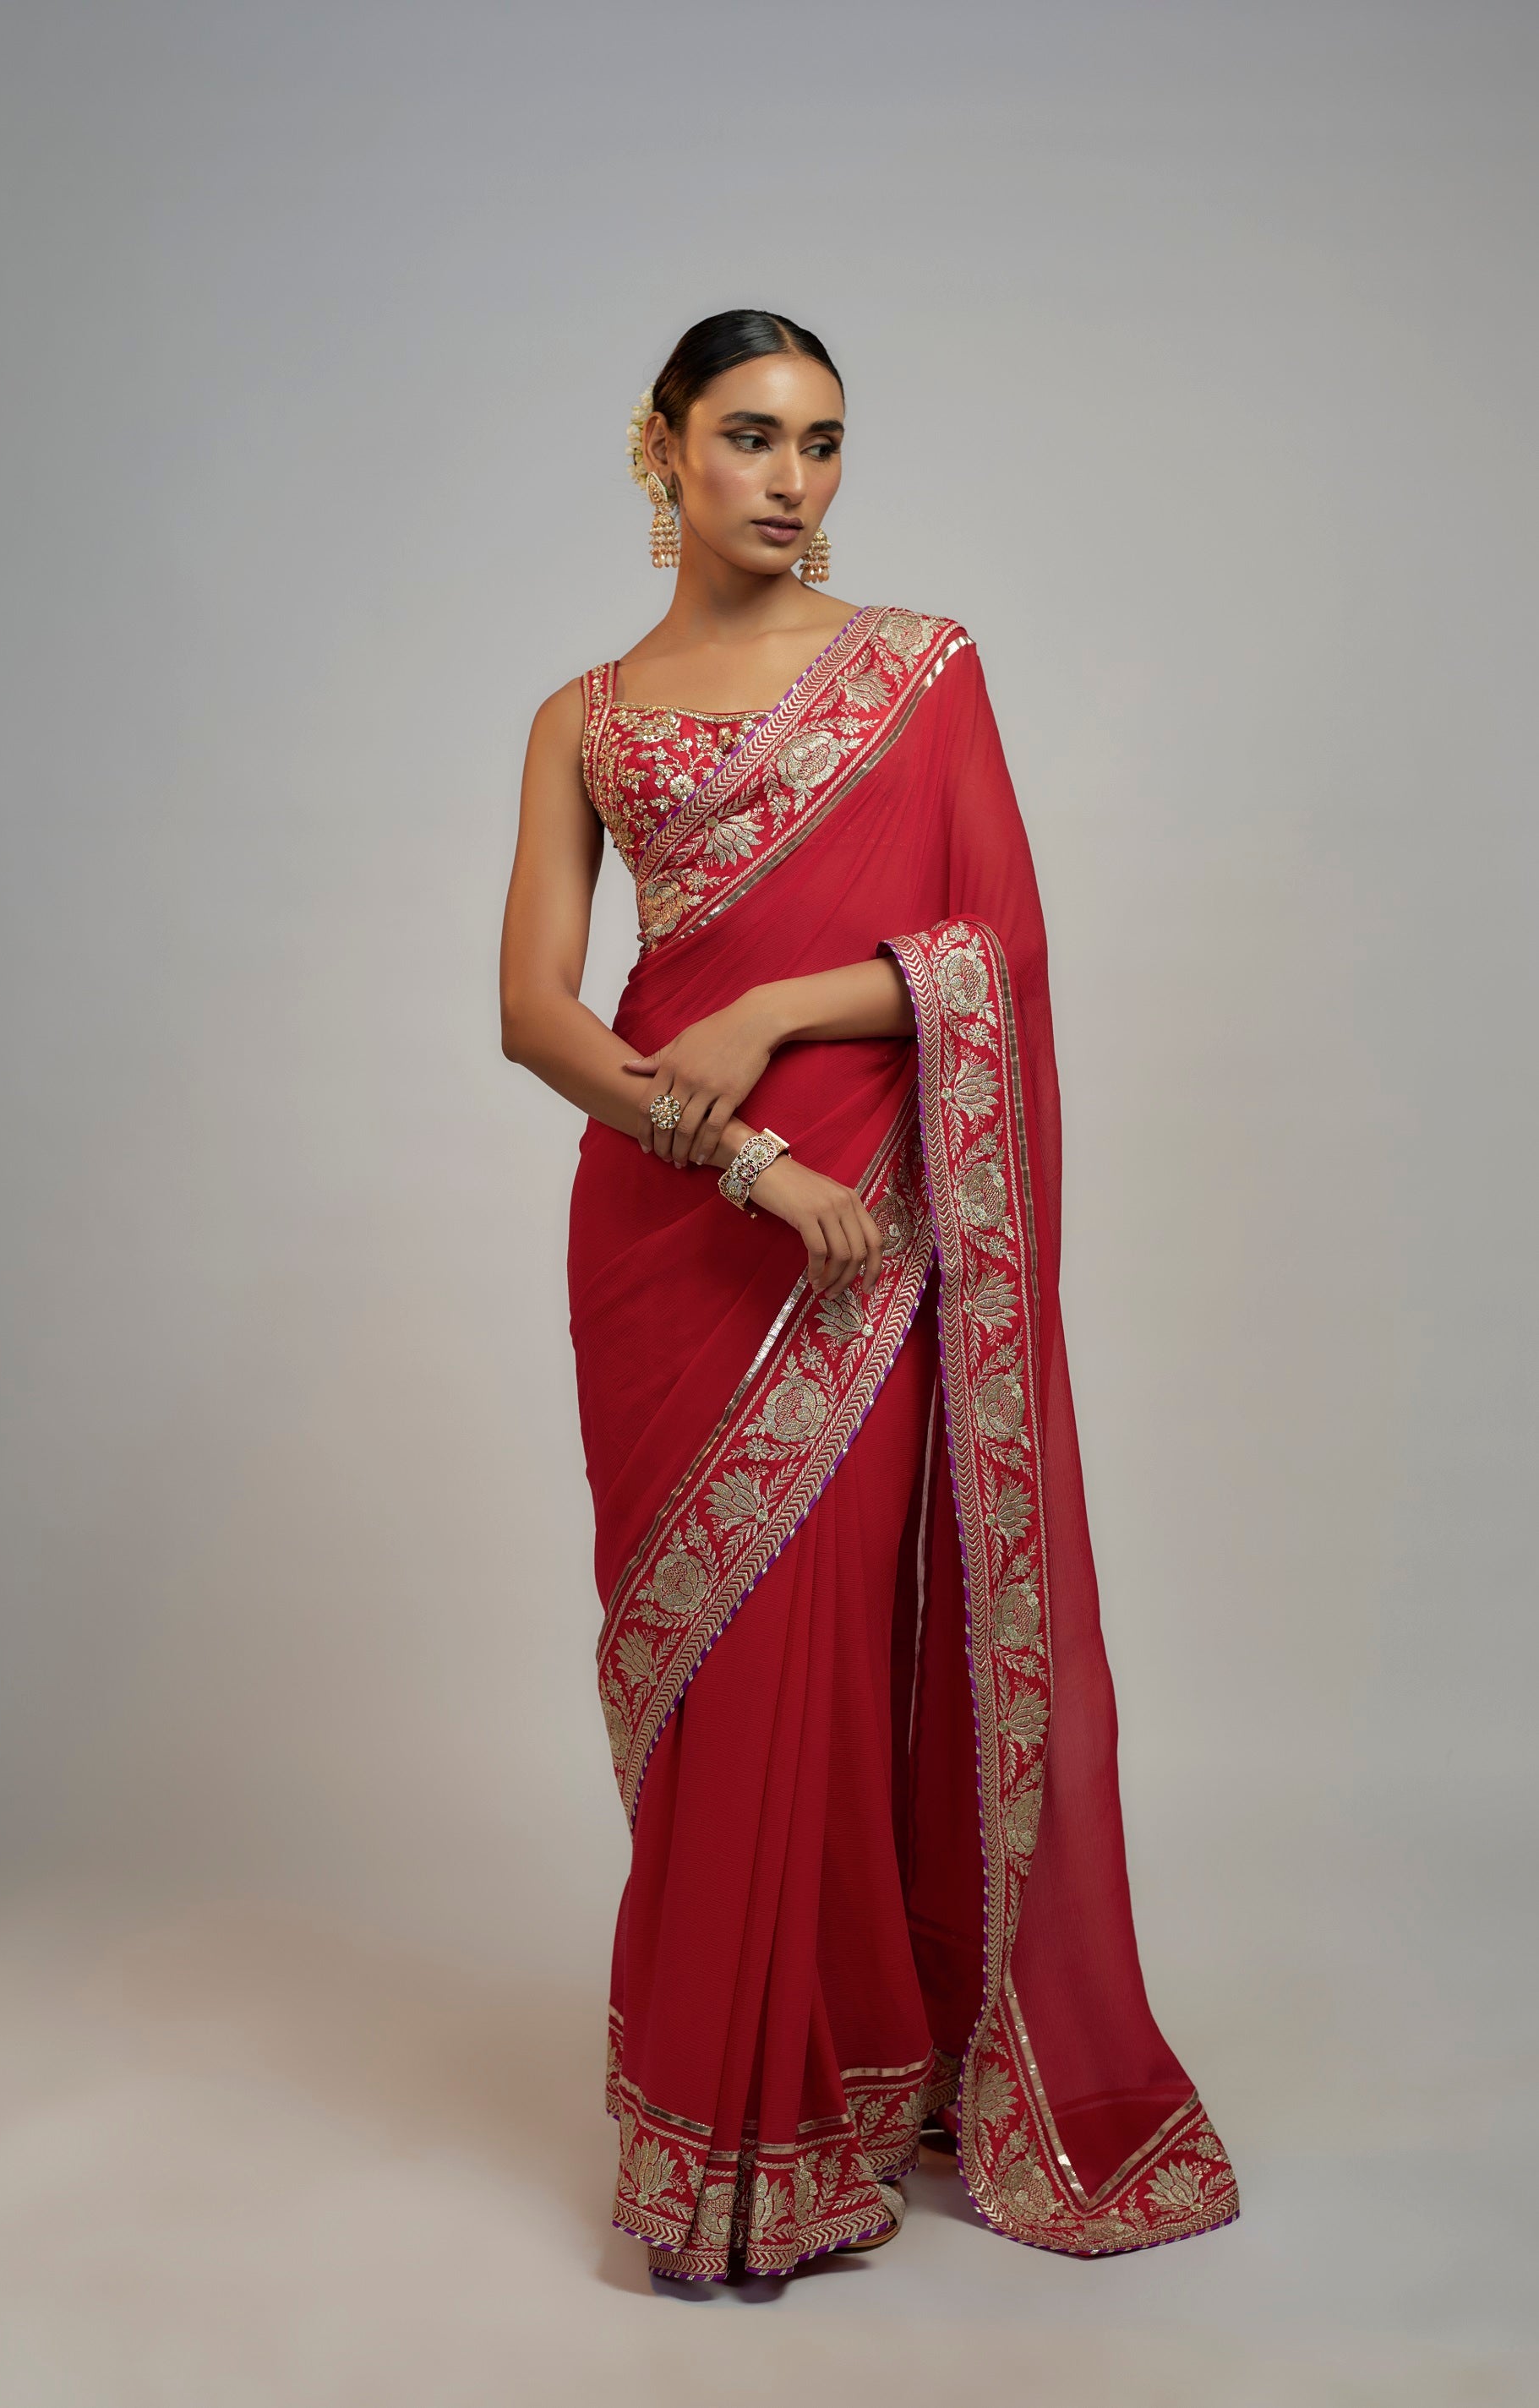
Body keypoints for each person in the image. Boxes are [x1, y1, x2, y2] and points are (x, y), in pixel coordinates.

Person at [499, 309, 1237, 2285]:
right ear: (660, 446)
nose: (792, 479)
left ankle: (805, 2117)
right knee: (694, 1681)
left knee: (808, 1660)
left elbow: (993, 952)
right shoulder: (580, 717)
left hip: (866, 1244)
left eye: (822, 442)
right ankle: (717, 2129)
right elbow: (534, 1017)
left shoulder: (920, 669)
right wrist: (747, 1160)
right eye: (750, 436)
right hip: (678, 1226)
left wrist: (771, 1008)